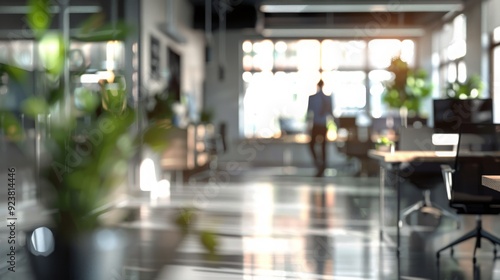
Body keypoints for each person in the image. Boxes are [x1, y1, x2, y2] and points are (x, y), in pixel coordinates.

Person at [307, 79, 334, 177]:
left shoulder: (320, 98)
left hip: (319, 125)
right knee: (321, 147)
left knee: (318, 146)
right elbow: (331, 113)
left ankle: (321, 165)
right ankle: (321, 164)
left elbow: (309, 114)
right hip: (321, 125)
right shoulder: (325, 98)